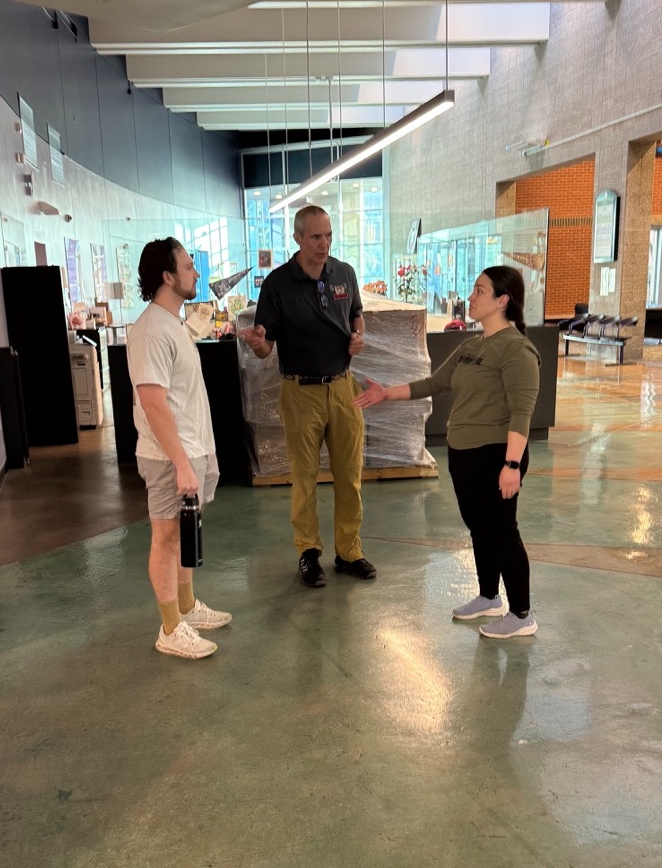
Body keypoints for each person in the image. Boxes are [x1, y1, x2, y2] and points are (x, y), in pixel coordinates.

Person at [355, 266, 540, 638]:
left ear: (502, 300)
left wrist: (511, 464)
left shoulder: (517, 350)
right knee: (479, 528)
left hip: (497, 454)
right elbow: (434, 383)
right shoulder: (471, 346)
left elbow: (522, 411)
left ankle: (522, 614)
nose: (470, 297)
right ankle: (489, 597)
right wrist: (385, 393)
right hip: (464, 453)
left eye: (480, 290)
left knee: (502, 531)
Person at [238, 204, 376, 588]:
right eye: (315, 236)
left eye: (328, 235)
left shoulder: (344, 273)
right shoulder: (278, 284)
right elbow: (266, 348)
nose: (323, 244)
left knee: (349, 475)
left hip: (344, 388)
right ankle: (309, 552)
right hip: (300, 393)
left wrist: (359, 335)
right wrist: (259, 343)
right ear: (297, 237)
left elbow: (357, 315)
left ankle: (349, 551)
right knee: (304, 477)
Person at [126, 237, 231, 659]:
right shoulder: (151, 329)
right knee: (168, 537)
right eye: (188, 266)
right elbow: (152, 403)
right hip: (170, 456)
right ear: (168, 277)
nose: (196, 273)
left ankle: (186, 608)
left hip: (191, 449)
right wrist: (181, 463)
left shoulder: (172, 324)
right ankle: (170, 628)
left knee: (187, 530)